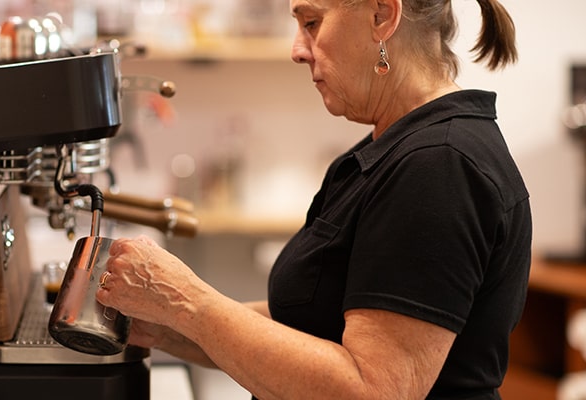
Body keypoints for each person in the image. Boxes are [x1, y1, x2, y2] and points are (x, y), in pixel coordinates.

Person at [96, 0, 531, 398]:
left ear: (382, 15)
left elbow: (374, 389)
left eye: (312, 23)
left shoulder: (440, 166)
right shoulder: (391, 149)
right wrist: (164, 326)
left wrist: (185, 301)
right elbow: (310, 325)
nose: (297, 50)